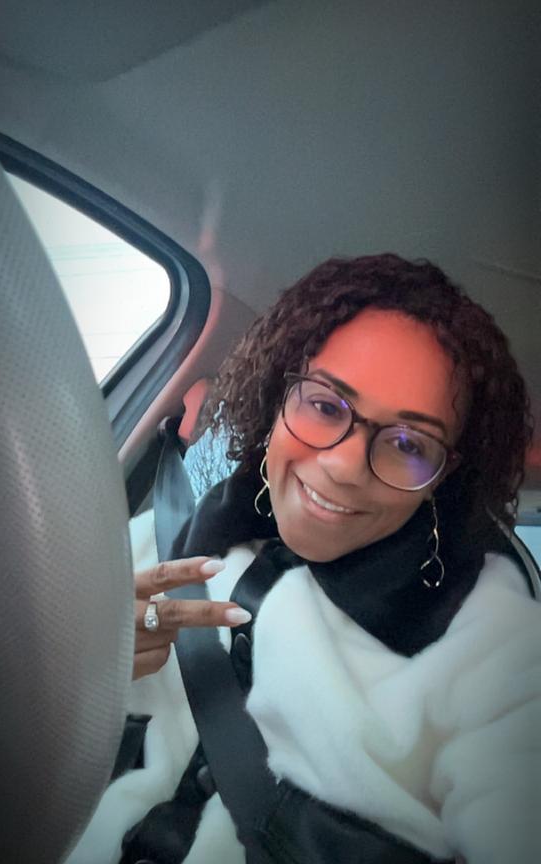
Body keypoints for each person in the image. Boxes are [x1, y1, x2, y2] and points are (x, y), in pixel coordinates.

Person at [68, 254, 539, 864]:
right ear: (277, 398)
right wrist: (82, 670)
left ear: (443, 479)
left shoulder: (494, 643)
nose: (343, 466)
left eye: (407, 443)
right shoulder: (155, 548)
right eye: (325, 405)